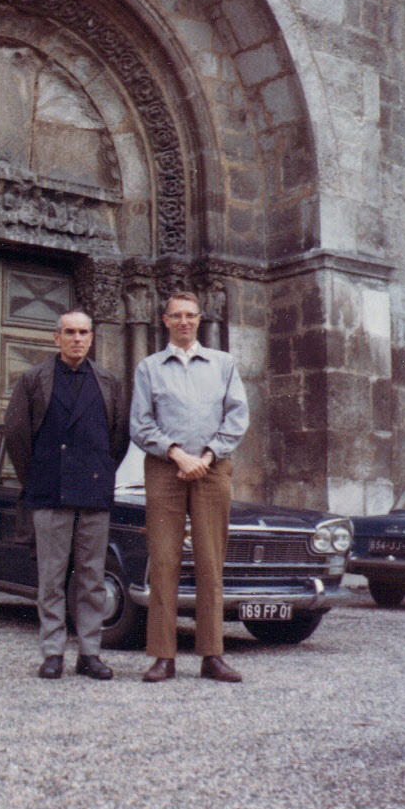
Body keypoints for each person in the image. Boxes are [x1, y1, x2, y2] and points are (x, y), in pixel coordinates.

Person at [130, 291, 250, 683]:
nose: (184, 322)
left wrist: (208, 456)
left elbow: (237, 416)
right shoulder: (149, 368)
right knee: (164, 561)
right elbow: (140, 423)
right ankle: (163, 656)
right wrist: (178, 455)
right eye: (176, 315)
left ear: (200, 319)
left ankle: (212, 654)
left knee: (210, 562)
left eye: (190, 315)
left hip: (212, 471)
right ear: (165, 320)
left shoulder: (223, 364)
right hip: (166, 471)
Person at [4, 310, 129, 680]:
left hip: (93, 491)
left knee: (92, 577)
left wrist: (100, 473)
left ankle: (89, 653)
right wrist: (38, 477)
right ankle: (53, 652)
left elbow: (119, 438)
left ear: (92, 337)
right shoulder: (33, 379)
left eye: (84, 332)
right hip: (49, 490)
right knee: (52, 578)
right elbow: (17, 436)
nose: (77, 339)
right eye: (70, 332)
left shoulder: (109, 382)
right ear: (56, 337)